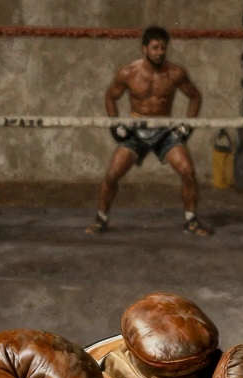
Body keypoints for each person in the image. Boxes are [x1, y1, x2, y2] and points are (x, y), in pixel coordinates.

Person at [88, 26, 211, 236]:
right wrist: (115, 124)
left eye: (163, 48)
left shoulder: (176, 73)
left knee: (188, 172)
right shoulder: (128, 73)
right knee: (112, 174)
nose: (160, 52)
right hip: (137, 131)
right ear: (144, 48)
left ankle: (191, 221)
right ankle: (101, 220)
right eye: (155, 48)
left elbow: (195, 96)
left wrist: (187, 126)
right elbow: (110, 97)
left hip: (164, 132)